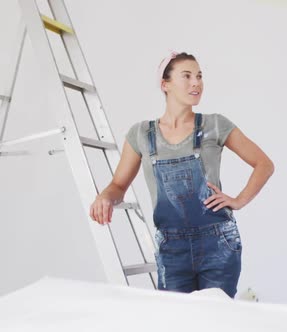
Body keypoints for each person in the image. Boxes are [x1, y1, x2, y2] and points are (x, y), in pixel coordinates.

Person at [89, 51, 274, 298]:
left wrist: (238, 200)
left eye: (199, 76)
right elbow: (118, 185)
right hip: (171, 249)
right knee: (176, 321)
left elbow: (263, 164)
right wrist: (105, 197)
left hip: (218, 244)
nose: (196, 82)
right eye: (187, 76)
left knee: (215, 322)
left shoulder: (215, 124)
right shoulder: (142, 134)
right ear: (165, 85)